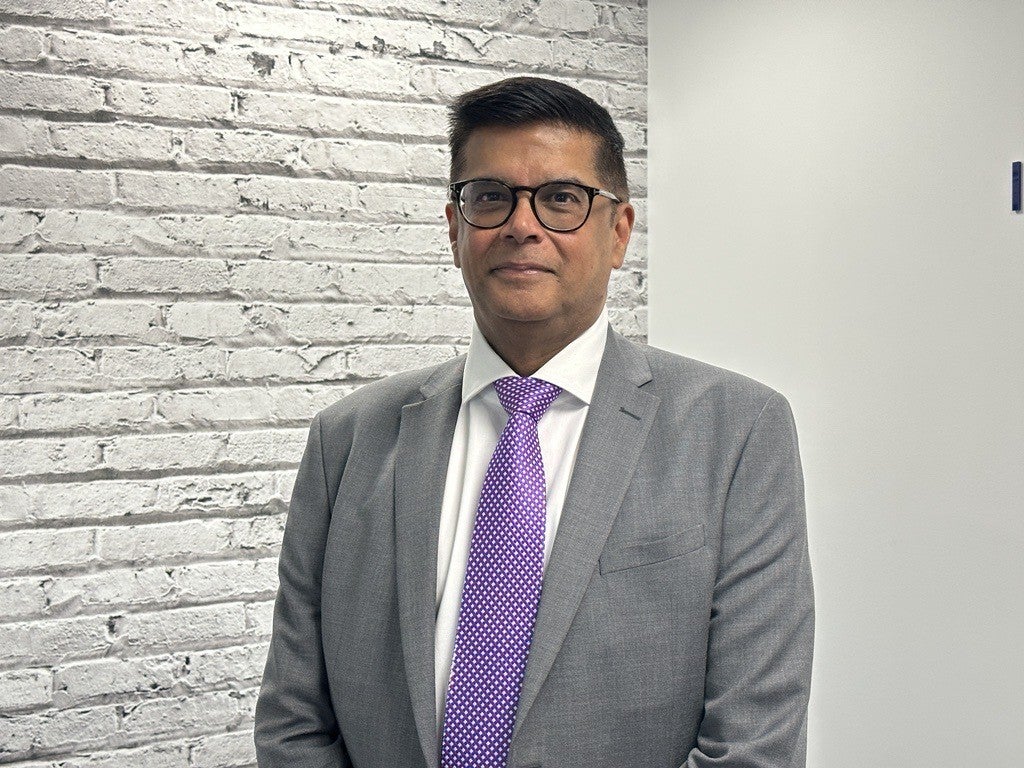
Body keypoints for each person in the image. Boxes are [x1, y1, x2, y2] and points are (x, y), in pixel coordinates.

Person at [254, 76, 814, 768]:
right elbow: (295, 723)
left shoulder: (735, 431)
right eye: (491, 196)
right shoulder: (347, 441)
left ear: (619, 232)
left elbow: (754, 745)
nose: (522, 225)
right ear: (455, 228)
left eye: (561, 198)